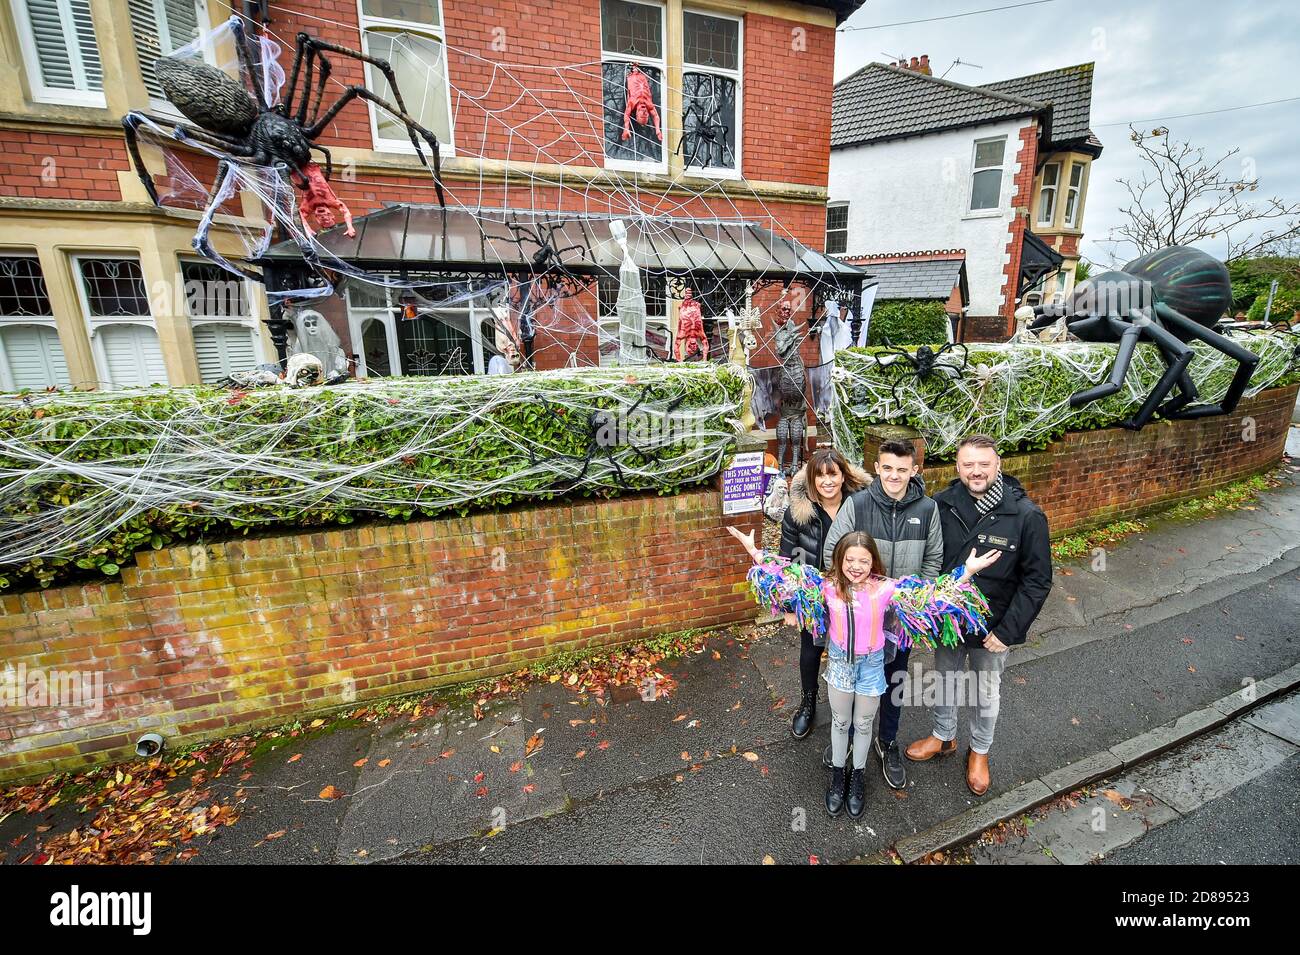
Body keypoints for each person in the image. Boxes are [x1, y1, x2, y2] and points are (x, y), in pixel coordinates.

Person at [729, 526, 1000, 818]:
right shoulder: (826, 585)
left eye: (863, 561)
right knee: (841, 722)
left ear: (873, 563)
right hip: (840, 666)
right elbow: (784, 580)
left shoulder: (886, 589)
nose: (856, 567)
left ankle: (857, 775)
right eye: (849, 560)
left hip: (871, 667)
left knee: (863, 724)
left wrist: (966, 572)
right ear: (839, 560)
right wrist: (754, 552)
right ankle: (837, 774)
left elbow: (930, 596)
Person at [904, 434, 1053, 797]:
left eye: (983, 464)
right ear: (957, 466)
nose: (976, 472)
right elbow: (929, 559)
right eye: (968, 464)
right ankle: (943, 737)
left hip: (994, 627)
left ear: (998, 464)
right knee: (946, 681)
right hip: (949, 622)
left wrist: (1008, 631)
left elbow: (1037, 581)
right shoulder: (940, 505)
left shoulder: (1026, 516)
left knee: (986, 692)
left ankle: (980, 751)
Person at [820, 438, 943, 790]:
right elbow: (833, 552)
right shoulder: (856, 504)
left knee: (893, 682)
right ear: (876, 467)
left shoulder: (928, 510)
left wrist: (912, 603)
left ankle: (885, 741)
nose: (894, 475)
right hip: (860, 620)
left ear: (914, 470)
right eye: (887, 467)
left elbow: (933, 559)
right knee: (850, 681)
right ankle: (844, 746)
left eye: (902, 469)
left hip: (899, 620)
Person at [779, 448, 868, 739]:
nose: (827, 482)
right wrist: (790, 605)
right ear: (812, 479)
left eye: (833, 474)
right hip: (814, 594)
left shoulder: (861, 505)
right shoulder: (798, 511)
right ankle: (808, 702)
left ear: (844, 475)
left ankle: (853, 703)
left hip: (852, 591)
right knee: (811, 650)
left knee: (853, 650)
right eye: (820, 475)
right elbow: (787, 559)